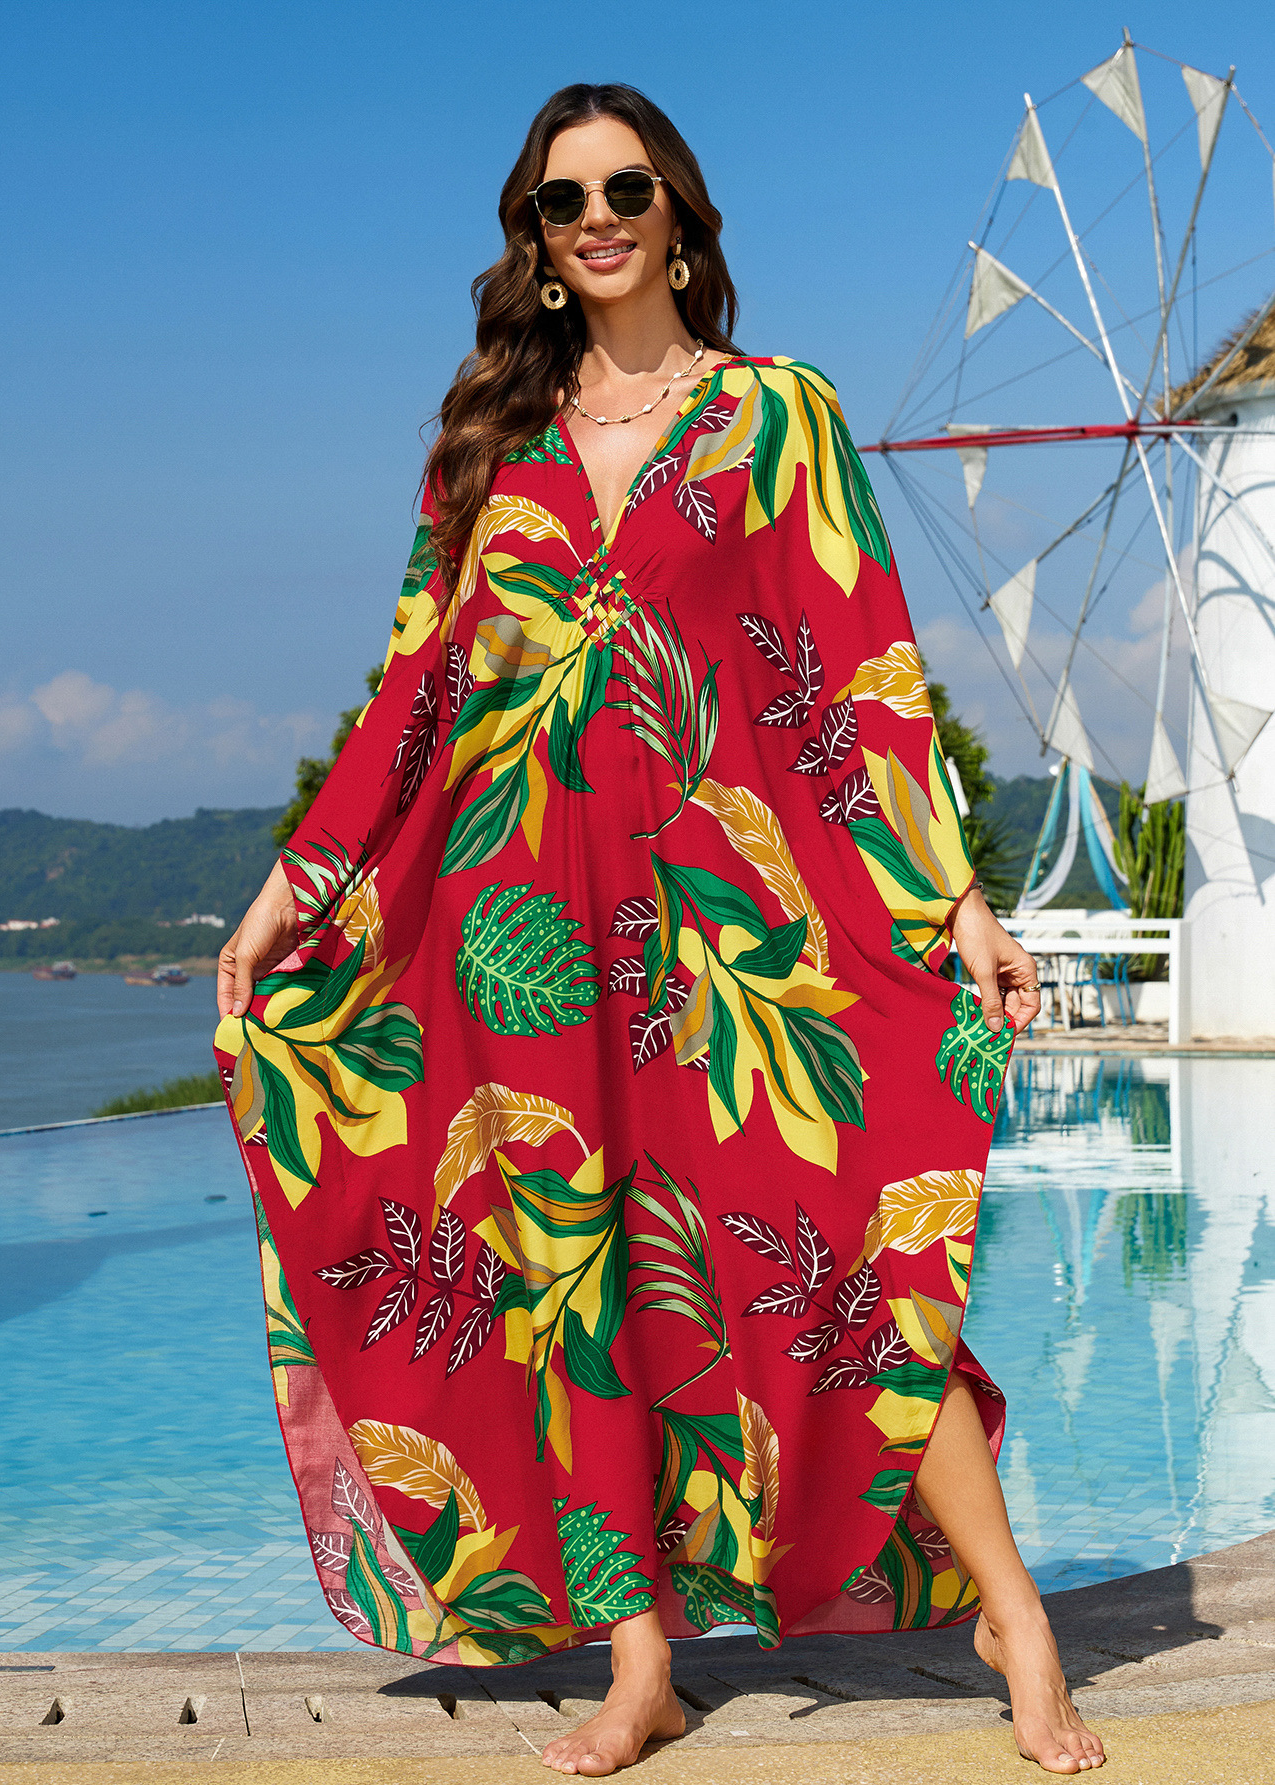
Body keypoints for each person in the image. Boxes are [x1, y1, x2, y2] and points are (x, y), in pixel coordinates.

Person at [215, 83, 1105, 1777]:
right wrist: (292, 886)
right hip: (520, 928)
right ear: (535, 242)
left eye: (626, 188)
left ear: (679, 212)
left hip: (730, 933)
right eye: (563, 202)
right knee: (579, 1286)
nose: (599, 219)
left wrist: (961, 901)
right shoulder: (489, 445)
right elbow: (412, 691)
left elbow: (863, 668)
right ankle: (644, 1668)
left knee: (840, 1259)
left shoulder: (777, 415)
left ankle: (1017, 1610)